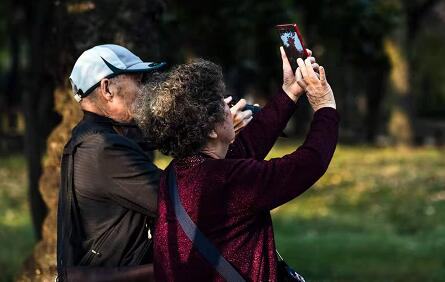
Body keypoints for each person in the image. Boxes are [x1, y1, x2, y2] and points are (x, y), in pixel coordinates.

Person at [133, 49, 339, 281]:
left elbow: (247, 147)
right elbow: (308, 164)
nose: (227, 105)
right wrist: (325, 107)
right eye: (220, 102)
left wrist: (290, 92)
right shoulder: (225, 180)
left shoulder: (177, 173)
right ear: (211, 130)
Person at [56, 44, 253, 280]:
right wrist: (216, 136)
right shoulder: (102, 148)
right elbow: (183, 202)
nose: (144, 91)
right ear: (107, 89)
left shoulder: (96, 136)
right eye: (138, 81)